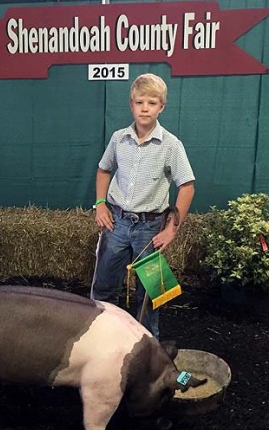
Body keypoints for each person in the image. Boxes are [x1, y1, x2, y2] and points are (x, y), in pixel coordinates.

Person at [90, 73, 195, 338]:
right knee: (104, 287)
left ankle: (146, 347)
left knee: (150, 293)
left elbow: (187, 187)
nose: (145, 107)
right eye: (139, 102)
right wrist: (101, 204)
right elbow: (104, 170)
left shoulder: (171, 145)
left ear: (162, 107)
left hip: (150, 229)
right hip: (116, 222)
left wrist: (172, 230)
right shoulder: (118, 139)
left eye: (151, 102)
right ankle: (103, 340)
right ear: (131, 105)